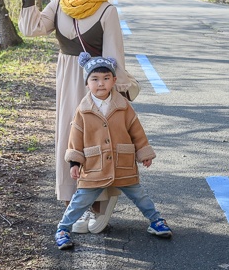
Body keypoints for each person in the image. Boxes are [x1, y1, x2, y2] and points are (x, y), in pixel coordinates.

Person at [17, 0, 135, 233]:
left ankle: (101, 202)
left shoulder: (107, 10)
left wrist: (109, 91)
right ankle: (77, 203)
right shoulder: (60, 3)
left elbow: (114, 56)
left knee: (95, 138)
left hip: (95, 82)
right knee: (71, 138)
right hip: (67, 78)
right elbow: (31, 29)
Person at [54, 54, 171, 250]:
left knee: (140, 195)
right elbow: (75, 137)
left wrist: (144, 153)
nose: (101, 84)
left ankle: (156, 221)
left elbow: (136, 130)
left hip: (122, 163)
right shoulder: (83, 110)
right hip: (94, 167)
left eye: (106, 78)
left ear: (114, 81)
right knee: (80, 200)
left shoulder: (124, 106)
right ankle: (63, 229)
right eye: (95, 79)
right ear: (87, 83)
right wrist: (75, 163)